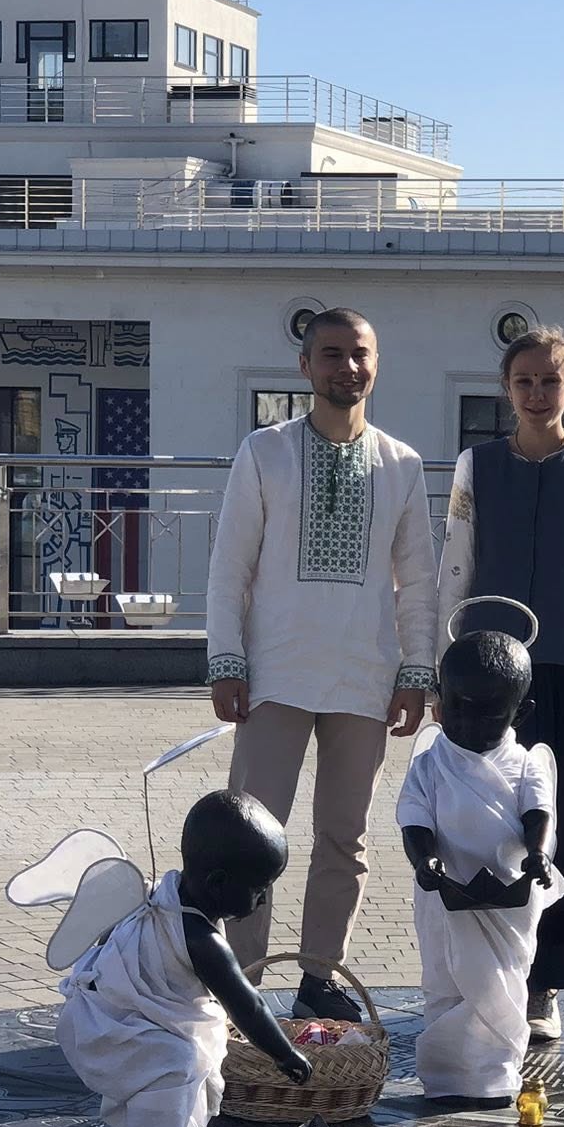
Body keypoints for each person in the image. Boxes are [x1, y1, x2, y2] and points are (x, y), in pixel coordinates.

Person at [204, 308, 439, 1021]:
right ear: (305, 366)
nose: (348, 367)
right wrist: (225, 659)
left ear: (377, 363)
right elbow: (229, 567)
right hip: (274, 673)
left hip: (365, 678)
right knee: (250, 836)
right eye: (332, 354)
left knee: (345, 838)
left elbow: (418, 582)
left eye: (360, 354)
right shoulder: (265, 452)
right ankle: (241, 981)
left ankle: (318, 978)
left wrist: (417, 672)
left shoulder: (401, 465)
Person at [437, 326, 564, 1042]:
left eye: (549, 380)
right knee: (488, 820)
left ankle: (546, 979)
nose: (536, 393)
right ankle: (484, 970)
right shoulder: (476, 467)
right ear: (506, 389)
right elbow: (456, 566)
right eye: (523, 380)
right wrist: (442, 669)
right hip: (489, 673)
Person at [53, 790, 313, 1127]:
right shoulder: (201, 939)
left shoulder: (168, 895)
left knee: (203, 1050)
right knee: (175, 1064)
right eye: (260, 888)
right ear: (218, 883)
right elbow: (247, 1005)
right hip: (108, 1030)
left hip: (130, 1018)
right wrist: (283, 1053)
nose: (264, 899)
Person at [398, 628, 564, 1107]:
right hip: (443, 894)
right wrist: (423, 858)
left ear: (520, 713)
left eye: (488, 716)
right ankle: (447, 1077)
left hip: (509, 899)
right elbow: (414, 818)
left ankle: (494, 1076)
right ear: (439, 701)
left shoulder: (526, 762)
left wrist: (538, 854)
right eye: (458, 711)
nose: (470, 725)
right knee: (445, 981)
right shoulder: (429, 763)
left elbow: (539, 813)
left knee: (503, 983)